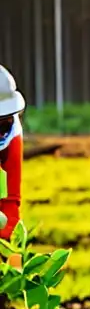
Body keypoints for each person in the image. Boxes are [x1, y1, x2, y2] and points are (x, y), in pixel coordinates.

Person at [0, 66, 24, 243]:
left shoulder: (12, 135)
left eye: (5, 122)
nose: (2, 132)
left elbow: (10, 202)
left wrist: (14, 264)